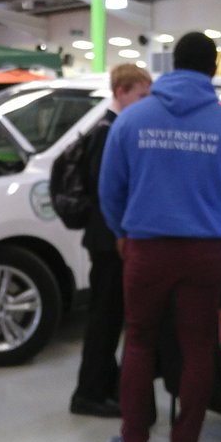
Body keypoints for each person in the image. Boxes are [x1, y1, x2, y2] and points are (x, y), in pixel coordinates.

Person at [99, 31, 221, 442]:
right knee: (197, 349)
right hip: (205, 254)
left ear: (171, 65)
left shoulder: (132, 121)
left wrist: (122, 232)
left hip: (146, 250)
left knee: (138, 341)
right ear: (213, 70)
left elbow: (109, 190)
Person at [69, 64, 151, 418]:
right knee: (105, 318)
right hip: (108, 239)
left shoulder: (112, 128)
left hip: (108, 236)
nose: (146, 104)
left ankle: (103, 385)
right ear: (121, 91)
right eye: (141, 96)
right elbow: (108, 189)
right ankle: (89, 392)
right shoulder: (108, 132)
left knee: (110, 316)